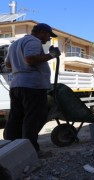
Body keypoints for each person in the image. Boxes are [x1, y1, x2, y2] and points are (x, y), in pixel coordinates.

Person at [4, 23, 61, 152]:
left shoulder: (15, 44)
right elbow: (30, 59)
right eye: (48, 36)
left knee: (16, 118)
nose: (48, 39)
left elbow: (8, 65)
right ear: (41, 32)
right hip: (32, 86)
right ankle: (31, 151)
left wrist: (20, 68)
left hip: (17, 85)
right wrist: (51, 55)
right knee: (33, 118)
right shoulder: (34, 41)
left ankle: (11, 149)